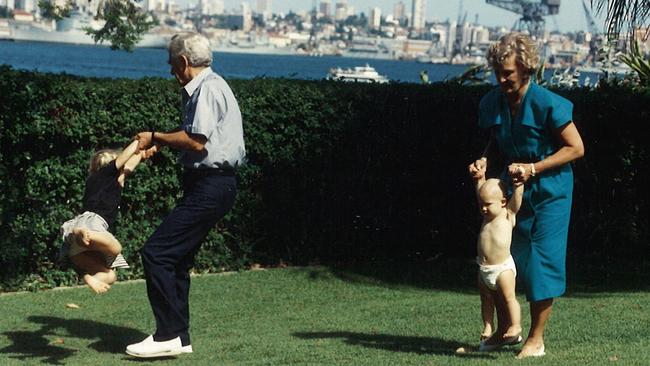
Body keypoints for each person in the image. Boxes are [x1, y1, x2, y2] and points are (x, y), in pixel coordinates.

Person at [125, 32, 246, 358]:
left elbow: (196, 141)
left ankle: (168, 335)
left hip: (211, 185)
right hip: (213, 184)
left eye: (171, 64)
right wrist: (160, 142)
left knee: (157, 253)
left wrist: (155, 136)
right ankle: (179, 336)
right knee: (176, 260)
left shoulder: (206, 89)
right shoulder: (213, 85)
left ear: (182, 62)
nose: (170, 72)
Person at [468, 32, 584, 358]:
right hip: (512, 190)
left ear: (525, 69)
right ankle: (508, 331)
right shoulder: (492, 102)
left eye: (508, 73)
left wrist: (534, 168)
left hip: (551, 193)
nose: (502, 79)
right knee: (504, 262)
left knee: (540, 263)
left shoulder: (547, 103)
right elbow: (496, 141)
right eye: (498, 72)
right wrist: (485, 160)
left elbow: (576, 148)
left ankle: (536, 338)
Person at [59, 139, 147, 294]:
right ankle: (83, 233)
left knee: (110, 275)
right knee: (116, 248)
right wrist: (139, 141)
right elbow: (123, 161)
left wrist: (144, 152)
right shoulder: (105, 174)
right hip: (92, 224)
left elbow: (128, 168)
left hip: (77, 248)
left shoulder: (99, 181)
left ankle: (88, 277)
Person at [473, 160, 524, 351]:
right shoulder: (486, 216)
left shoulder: (507, 214)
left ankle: (515, 326)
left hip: (502, 269)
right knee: (486, 298)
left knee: (509, 297)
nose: (483, 208)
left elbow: (516, 201)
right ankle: (488, 325)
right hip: (484, 268)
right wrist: (480, 179)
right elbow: (482, 193)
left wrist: (518, 184)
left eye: (487, 204)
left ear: (503, 202)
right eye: (481, 205)